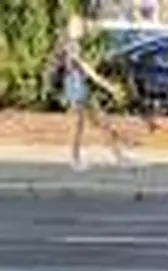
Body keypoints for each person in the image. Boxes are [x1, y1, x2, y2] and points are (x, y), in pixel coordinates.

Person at [56, 11, 127, 166]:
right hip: (77, 88)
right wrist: (108, 86)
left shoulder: (72, 45)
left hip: (79, 87)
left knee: (94, 122)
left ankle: (117, 155)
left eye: (81, 25)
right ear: (70, 28)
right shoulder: (71, 46)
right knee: (87, 123)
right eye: (78, 26)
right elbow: (87, 70)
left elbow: (83, 70)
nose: (82, 29)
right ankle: (115, 156)